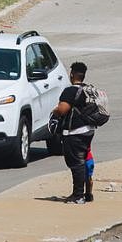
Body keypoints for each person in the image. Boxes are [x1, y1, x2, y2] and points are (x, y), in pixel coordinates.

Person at [51, 61, 95, 204]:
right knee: (84, 160)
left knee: (76, 164)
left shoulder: (70, 91)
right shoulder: (88, 90)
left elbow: (62, 109)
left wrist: (55, 111)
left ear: (72, 74)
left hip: (74, 133)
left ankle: (78, 196)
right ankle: (87, 193)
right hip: (88, 130)